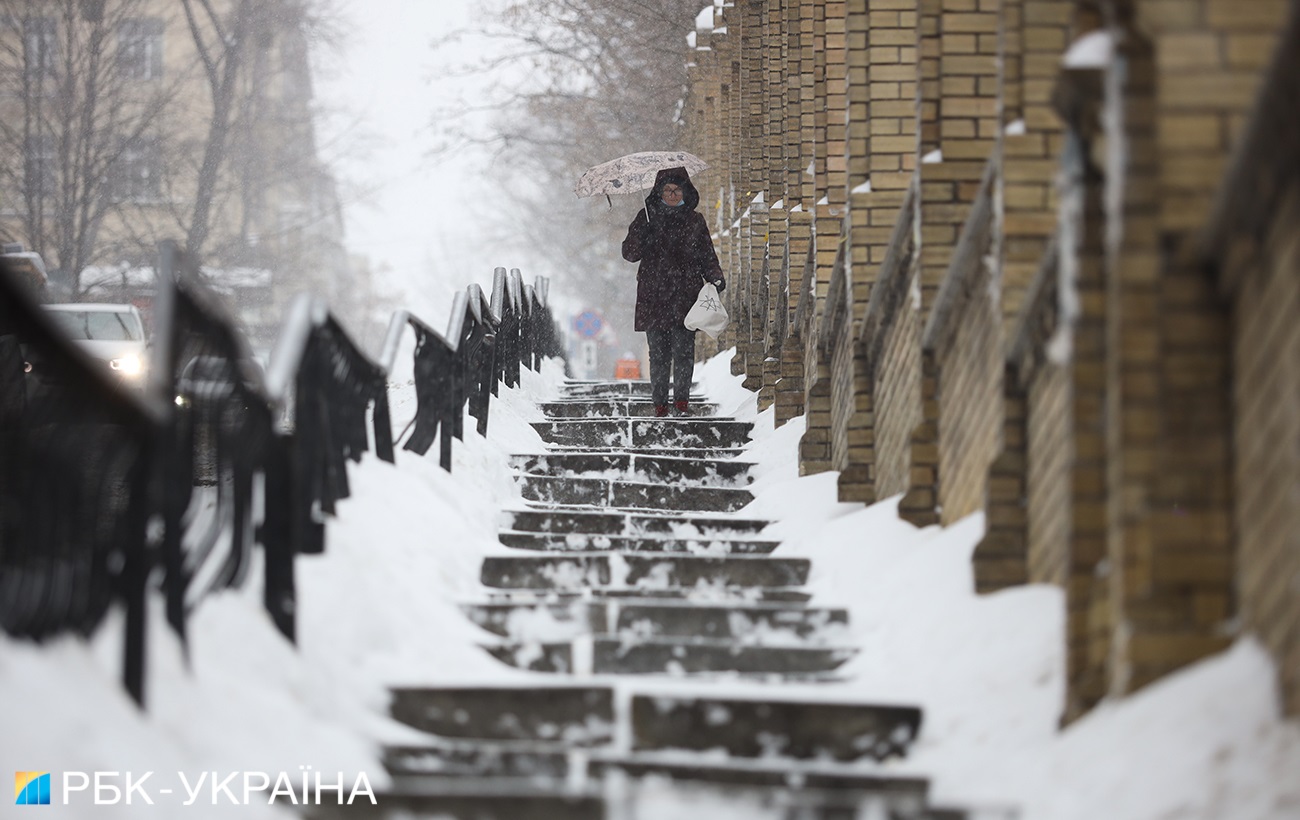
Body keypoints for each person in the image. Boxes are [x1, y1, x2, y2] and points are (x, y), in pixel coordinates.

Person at [620, 167, 725, 417]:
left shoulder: (695, 220)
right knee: (658, 355)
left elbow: (706, 255)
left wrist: (716, 277)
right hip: (653, 296)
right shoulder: (645, 217)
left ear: (686, 191)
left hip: (685, 297)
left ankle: (681, 402)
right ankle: (659, 404)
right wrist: (642, 232)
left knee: (684, 352)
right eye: (667, 190)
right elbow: (629, 253)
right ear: (659, 192)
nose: (672, 194)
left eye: (677, 189)